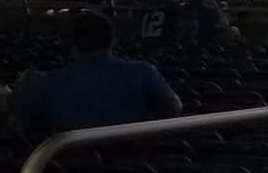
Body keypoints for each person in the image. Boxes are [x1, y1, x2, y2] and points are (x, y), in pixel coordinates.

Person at [9, 10, 180, 144]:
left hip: (67, 172)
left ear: (73, 45)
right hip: (134, 167)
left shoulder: (44, 82)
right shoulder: (144, 72)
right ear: (113, 42)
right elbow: (173, 108)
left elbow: (19, 118)